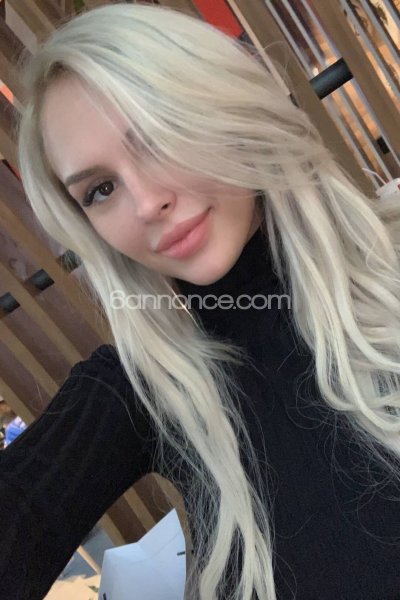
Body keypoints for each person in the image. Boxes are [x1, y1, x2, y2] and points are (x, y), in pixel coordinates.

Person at [1, 3, 399, 599]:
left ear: (227, 110)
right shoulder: (145, 387)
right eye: (101, 189)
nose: (145, 203)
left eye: (157, 137)